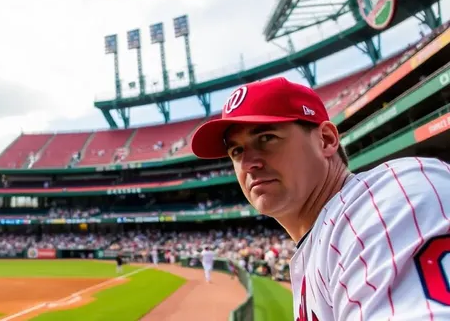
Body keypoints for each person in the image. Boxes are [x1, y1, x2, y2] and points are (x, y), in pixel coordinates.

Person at [190, 76, 450, 320]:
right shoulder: (319, 245)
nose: (248, 163)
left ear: (326, 140)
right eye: (236, 151)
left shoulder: (383, 200)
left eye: (266, 138)